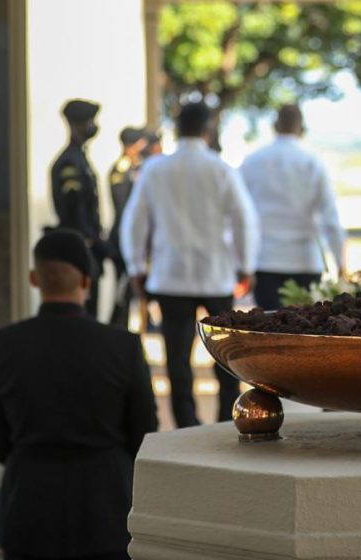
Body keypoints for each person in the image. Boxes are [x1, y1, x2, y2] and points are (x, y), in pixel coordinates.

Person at [0, 229, 158, 560]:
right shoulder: (123, 347)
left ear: (34, 278)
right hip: (105, 508)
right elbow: (143, 430)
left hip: (28, 507)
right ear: (87, 281)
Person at [121, 101, 260, 428]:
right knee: (226, 357)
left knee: (177, 358)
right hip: (215, 275)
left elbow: (135, 222)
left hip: (170, 277)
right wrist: (246, 265)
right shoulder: (220, 168)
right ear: (208, 129)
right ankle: (227, 419)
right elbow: (244, 220)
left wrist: (136, 266)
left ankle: (186, 423)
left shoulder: (155, 169)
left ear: (176, 126)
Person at [240, 103, 346, 310]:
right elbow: (330, 220)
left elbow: (239, 216)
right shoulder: (312, 163)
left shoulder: (252, 161)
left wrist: (242, 264)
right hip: (305, 261)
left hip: (265, 260)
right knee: (306, 334)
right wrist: (341, 265)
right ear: (302, 128)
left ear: (274, 126)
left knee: (269, 332)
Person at [50, 99, 109, 318]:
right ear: (75, 125)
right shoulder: (70, 163)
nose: (93, 126)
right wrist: (90, 239)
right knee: (82, 313)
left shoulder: (80, 158)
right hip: (80, 251)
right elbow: (73, 209)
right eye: (88, 122)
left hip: (88, 249)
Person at [107, 127, 148, 329]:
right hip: (122, 240)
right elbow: (123, 209)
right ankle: (119, 329)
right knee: (123, 291)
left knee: (131, 292)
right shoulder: (121, 170)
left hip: (131, 238)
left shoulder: (135, 168)